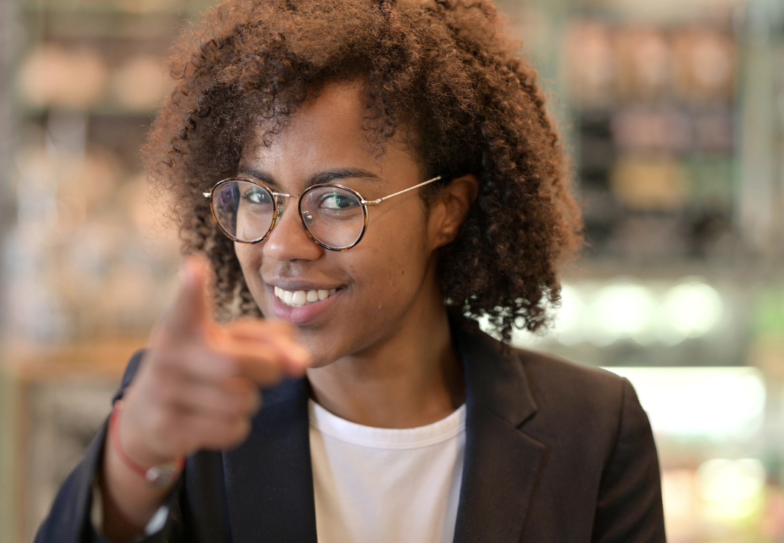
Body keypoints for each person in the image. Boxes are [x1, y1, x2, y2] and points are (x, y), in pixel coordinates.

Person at [36, 0, 666, 541]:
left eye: (339, 201)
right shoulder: (190, 417)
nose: (283, 246)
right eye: (257, 196)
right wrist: (133, 457)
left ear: (446, 211)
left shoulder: (592, 430)